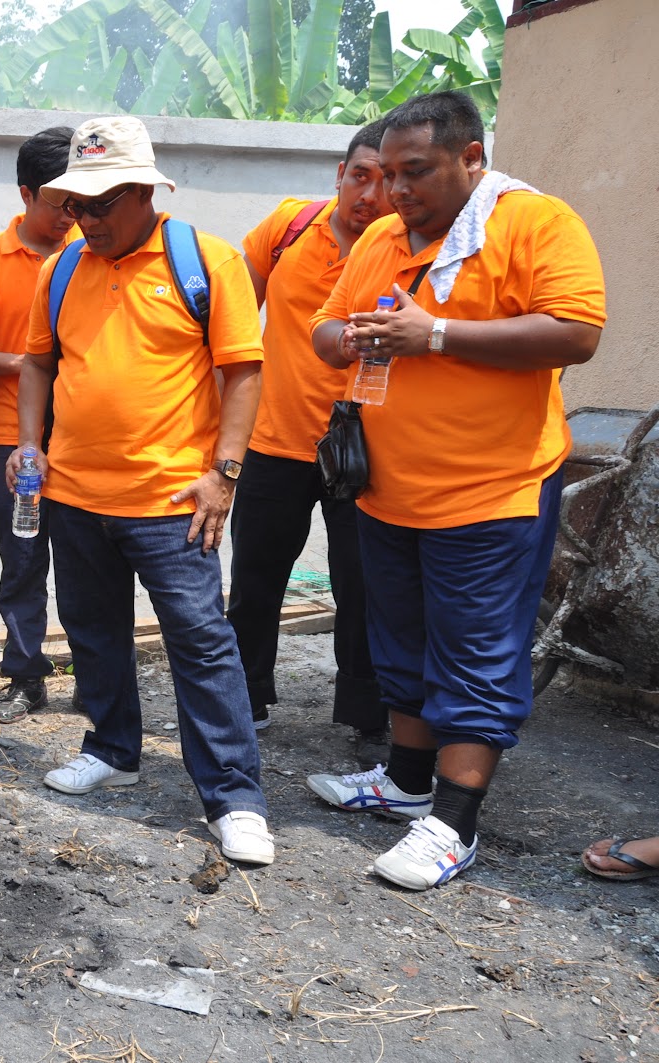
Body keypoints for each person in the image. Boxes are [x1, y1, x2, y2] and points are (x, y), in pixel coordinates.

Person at [304, 92, 604, 891]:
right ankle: (405, 781)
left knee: (475, 655)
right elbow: (324, 329)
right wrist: (353, 336)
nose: (396, 189)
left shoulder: (536, 224)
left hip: (490, 491)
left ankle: (455, 823)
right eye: (388, 173)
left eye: (417, 172)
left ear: (474, 157)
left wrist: (432, 334)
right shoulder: (378, 238)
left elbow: (576, 331)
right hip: (386, 488)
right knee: (398, 640)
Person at [14, 117, 273, 866]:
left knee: (200, 640)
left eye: (99, 206)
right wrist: (31, 444)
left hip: (171, 503)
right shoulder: (61, 270)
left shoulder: (205, 261)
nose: (85, 221)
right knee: (93, 628)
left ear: (142, 193)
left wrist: (223, 474)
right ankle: (113, 746)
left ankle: (234, 796)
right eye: (76, 207)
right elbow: (37, 363)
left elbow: (244, 371)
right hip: (73, 492)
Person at [226, 119, 392, 760]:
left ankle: (365, 714)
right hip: (274, 438)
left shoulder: (402, 247)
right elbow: (235, 313)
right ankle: (248, 696)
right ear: (340, 176)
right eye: (361, 175)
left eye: (386, 179)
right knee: (256, 578)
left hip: (364, 448)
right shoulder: (291, 226)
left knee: (363, 584)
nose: (371, 193)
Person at [0, 126, 74, 724]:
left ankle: (97, 670)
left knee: (88, 559)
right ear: (26, 194)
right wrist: (35, 364)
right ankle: (26, 671)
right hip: (11, 437)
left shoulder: (92, 248)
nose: (72, 215)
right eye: (60, 203)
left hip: (82, 432)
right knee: (23, 553)